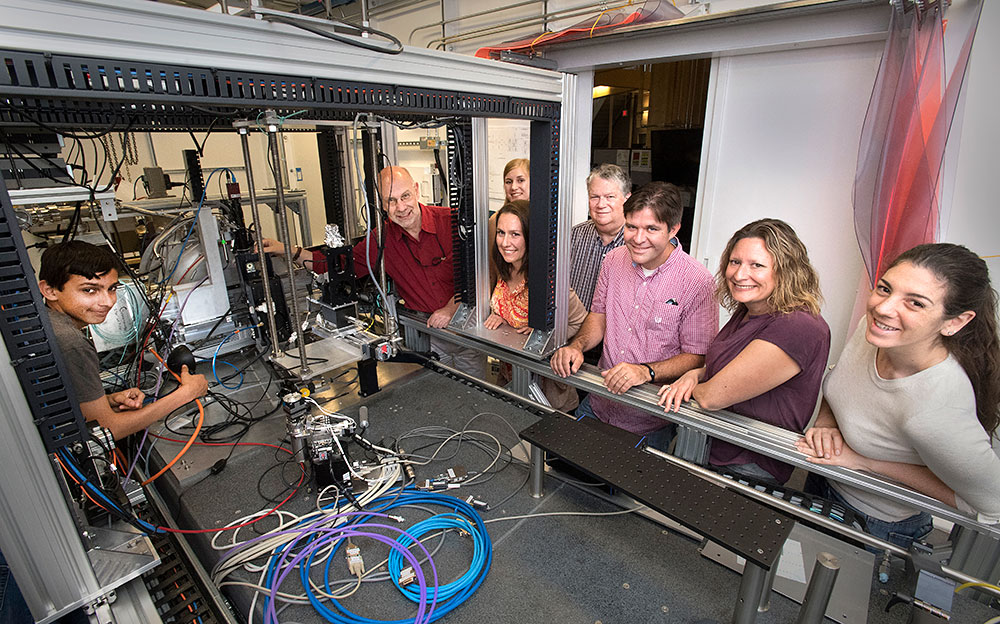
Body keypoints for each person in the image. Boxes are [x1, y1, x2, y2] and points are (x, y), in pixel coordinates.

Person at [796, 243, 1000, 545]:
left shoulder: (936, 409)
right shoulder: (875, 331)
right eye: (884, 289)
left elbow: (991, 504)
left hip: (873, 524)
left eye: (915, 303)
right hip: (824, 485)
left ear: (955, 322)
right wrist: (826, 422)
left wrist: (865, 463)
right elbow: (841, 382)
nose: (883, 308)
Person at [658, 219, 830, 484]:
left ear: (786, 271)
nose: (739, 275)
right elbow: (728, 367)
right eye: (735, 262)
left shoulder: (798, 325)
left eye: (757, 265)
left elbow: (713, 397)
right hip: (713, 445)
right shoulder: (750, 311)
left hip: (747, 464)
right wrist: (696, 373)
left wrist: (697, 385)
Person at [551, 182, 717, 445]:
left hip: (649, 420)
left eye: (651, 229)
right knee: (571, 475)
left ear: (673, 229)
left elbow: (697, 356)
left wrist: (646, 372)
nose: (638, 239)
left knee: (623, 487)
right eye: (631, 227)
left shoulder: (698, 281)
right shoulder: (613, 260)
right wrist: (577, 346)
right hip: (598, 402)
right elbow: (599, 316)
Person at [38, 241, 208, 441]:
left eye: (111, 289)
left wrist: (107, 401)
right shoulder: (70, 342)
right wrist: (186, 394)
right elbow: (109, 430)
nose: (108, 301)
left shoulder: (47, 322)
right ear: (49, 290)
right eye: (89, 290)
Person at [484, 200, 587, 411]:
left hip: (546, 392)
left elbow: (580, 320)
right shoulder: (504, 268)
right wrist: (499, 315)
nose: (505, 242)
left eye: (515, 234)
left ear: (530, 237)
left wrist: (547, 333)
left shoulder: (548, 281)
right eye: (501, 233)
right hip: (510, 379)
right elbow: (507, 305)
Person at [570, 164, 631, 311]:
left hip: (613, 333)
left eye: (610, 197)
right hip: (570, 329)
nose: (601, 204)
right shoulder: (573, 236)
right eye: (594, 197)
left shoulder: (637, 244)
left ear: (627, 199)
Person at [489, 158, 530, 289]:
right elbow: (492, 269)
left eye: (521, 180)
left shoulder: (545, 221)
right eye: (508, 182)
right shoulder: (495, 221)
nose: (513, 187)